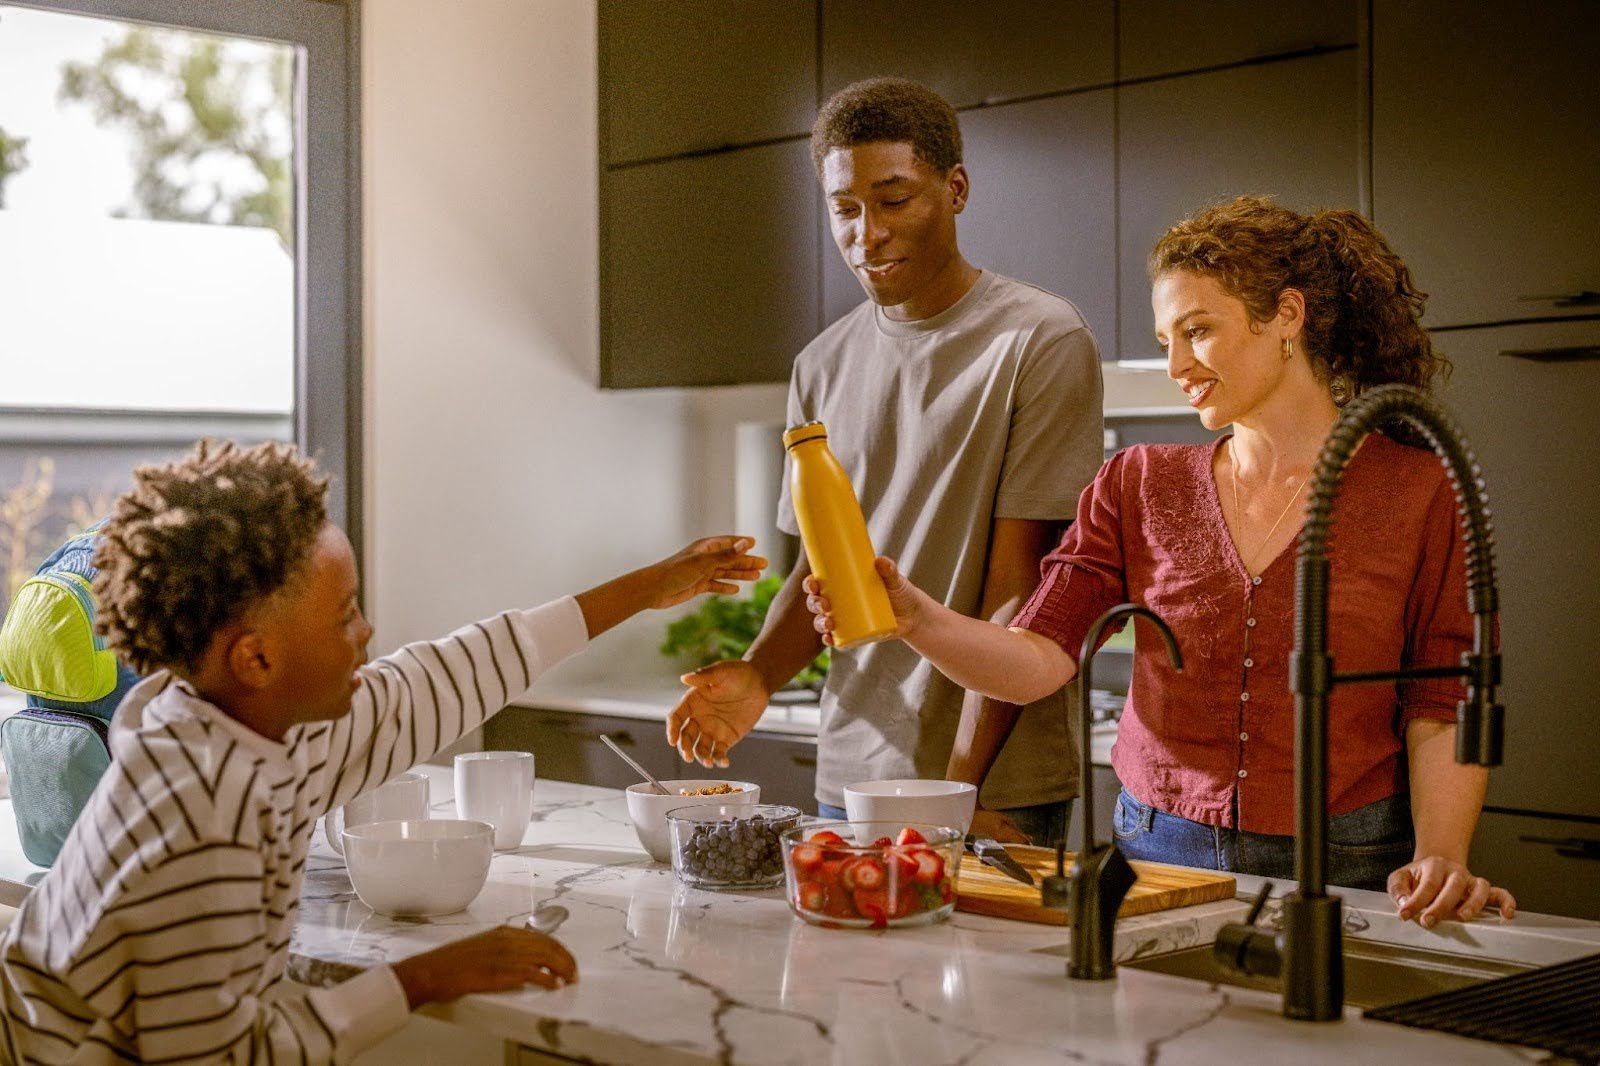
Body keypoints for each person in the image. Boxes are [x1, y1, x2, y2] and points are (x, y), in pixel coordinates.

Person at [803, 195, 1517, 926]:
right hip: (1157, 851)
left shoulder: (1418, 488)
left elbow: (1444, 699)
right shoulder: (1140, 481)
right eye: (1164, 338)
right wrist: (918, 620)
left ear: (1287, 317)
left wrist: (1443, 853)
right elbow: (1038, 659)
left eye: (1197, 331)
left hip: (1352, 856)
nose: (1176, 364)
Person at [0, 439, 766, 1063]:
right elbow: (227, 1058)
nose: (367, 634)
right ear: (256, 659)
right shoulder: (204, 818)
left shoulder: (223, 721)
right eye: (346, 616)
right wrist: (424, 978)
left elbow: (440, 677)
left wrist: (649, 586)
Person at [664, 77, 1104, 846]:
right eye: (844, 208)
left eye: (894, 200)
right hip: (853, 776)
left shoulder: (1039, 339)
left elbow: (1020, 590)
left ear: (954, 188)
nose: (866, 234)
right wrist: (761, 673)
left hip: (996, 784)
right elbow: (819, 571)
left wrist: (957, 793)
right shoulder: (820, 365)